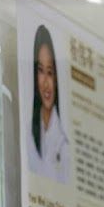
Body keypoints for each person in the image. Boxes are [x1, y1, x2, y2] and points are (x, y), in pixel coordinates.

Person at [27, 24, 70, 183]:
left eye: (50, 73)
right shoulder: (28, 134)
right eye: (40, 71)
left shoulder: (64, 145)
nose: (46, 83)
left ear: (56, 79)